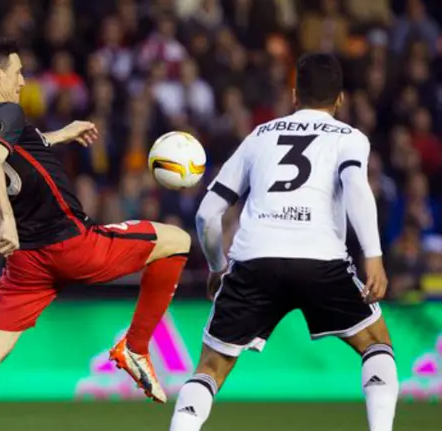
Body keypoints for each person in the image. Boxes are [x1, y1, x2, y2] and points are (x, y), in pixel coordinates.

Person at [0, 36, 192, 431]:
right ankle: (136, 347)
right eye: (18, 72)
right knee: (178, 241)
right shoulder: (6, 111)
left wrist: (63, 134)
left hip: (26, 263)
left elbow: (15, 150)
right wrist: (3, 217)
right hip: (72, 244)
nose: (23, 81)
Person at [169, 53, 397, 431]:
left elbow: (207, 214)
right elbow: (356, 185)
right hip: (321, 260)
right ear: (340, 99)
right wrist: (372, 255)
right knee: (376, 343)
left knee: (210, 369)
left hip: (253, 261)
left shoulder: (259, 136)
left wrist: (216, 267)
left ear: (295, 95)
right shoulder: (351, 138)